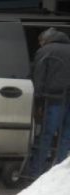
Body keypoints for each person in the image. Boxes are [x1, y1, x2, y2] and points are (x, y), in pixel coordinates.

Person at [30, 28, 70, 176]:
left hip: (53, 99)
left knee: (47, 135)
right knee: (66, 137)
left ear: (45, 40)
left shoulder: (45, 51)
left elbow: (39, 77)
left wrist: (38, 101)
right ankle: (58, 173)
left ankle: (36, 172)